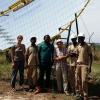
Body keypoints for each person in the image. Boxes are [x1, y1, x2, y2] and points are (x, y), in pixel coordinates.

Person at [75, 33, 93, 100]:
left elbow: (91, 56)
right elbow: (77, 55)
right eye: (79, 38)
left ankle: (85, 96)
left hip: (84, 65)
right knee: (78, 80)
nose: (79, 39)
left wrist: (90, 66)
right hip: (78, 65)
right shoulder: (78, 46)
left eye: (81, 38)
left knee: (84, 81)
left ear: (83, 38)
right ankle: (80, 95)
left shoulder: (87, 46)